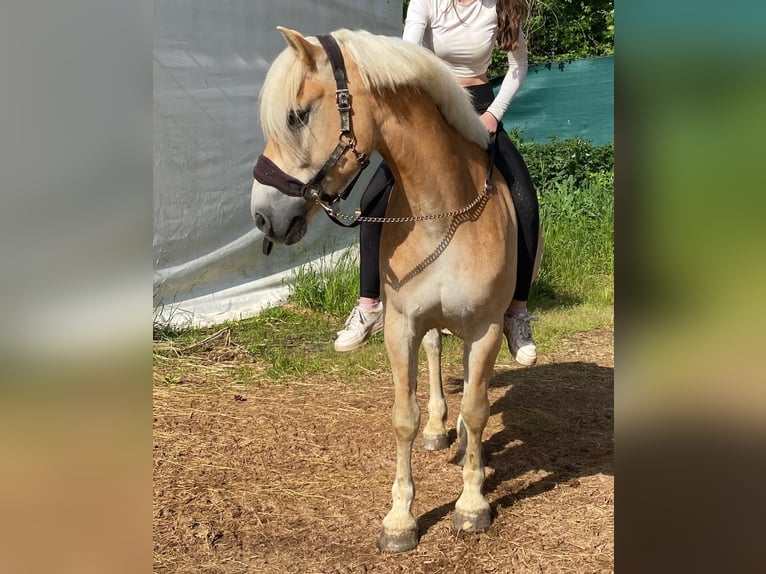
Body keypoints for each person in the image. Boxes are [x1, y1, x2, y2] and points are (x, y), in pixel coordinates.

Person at [334, 0, 540, 367]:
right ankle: (369, 305)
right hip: (433, 102)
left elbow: (517, 67)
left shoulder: (501, 7)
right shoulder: (427, 2)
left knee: (525, 201)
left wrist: (494, 115)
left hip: (481, 105)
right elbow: (409, 53)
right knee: (373, 199)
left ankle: (517, 312)